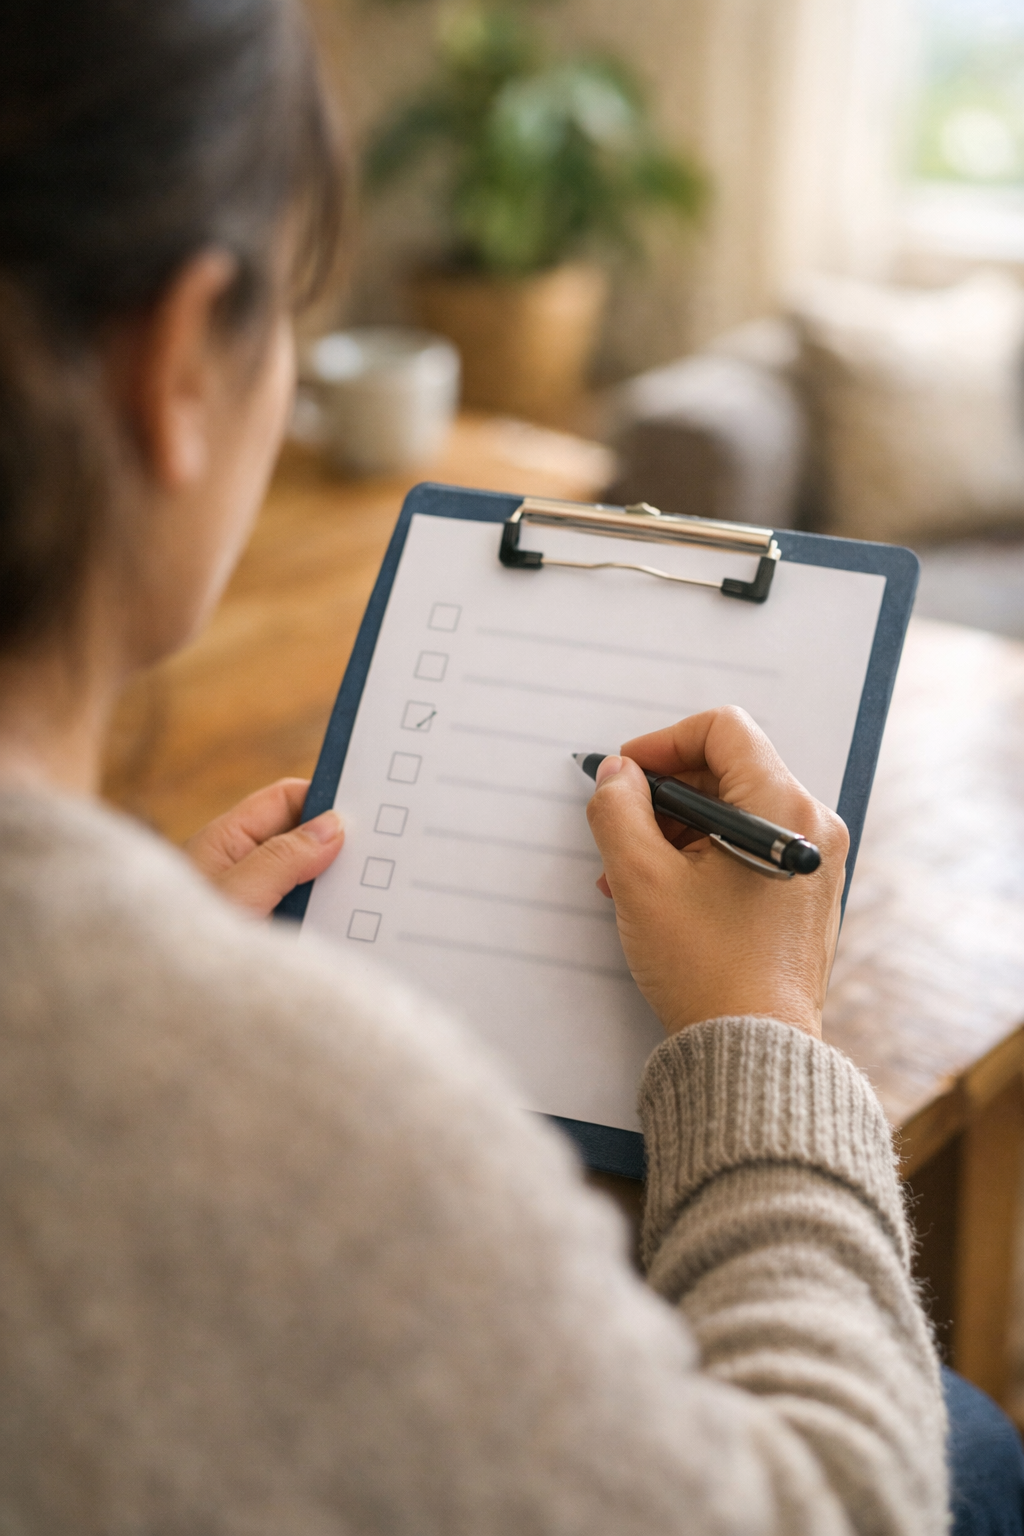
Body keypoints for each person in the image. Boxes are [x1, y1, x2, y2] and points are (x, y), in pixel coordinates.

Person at [0, 2, 1018, 1532]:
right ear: (175, 368)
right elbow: (842, 1509)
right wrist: (766, 1033)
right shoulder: (318, 1120)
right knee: (965, 1441)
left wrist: (149, 972)